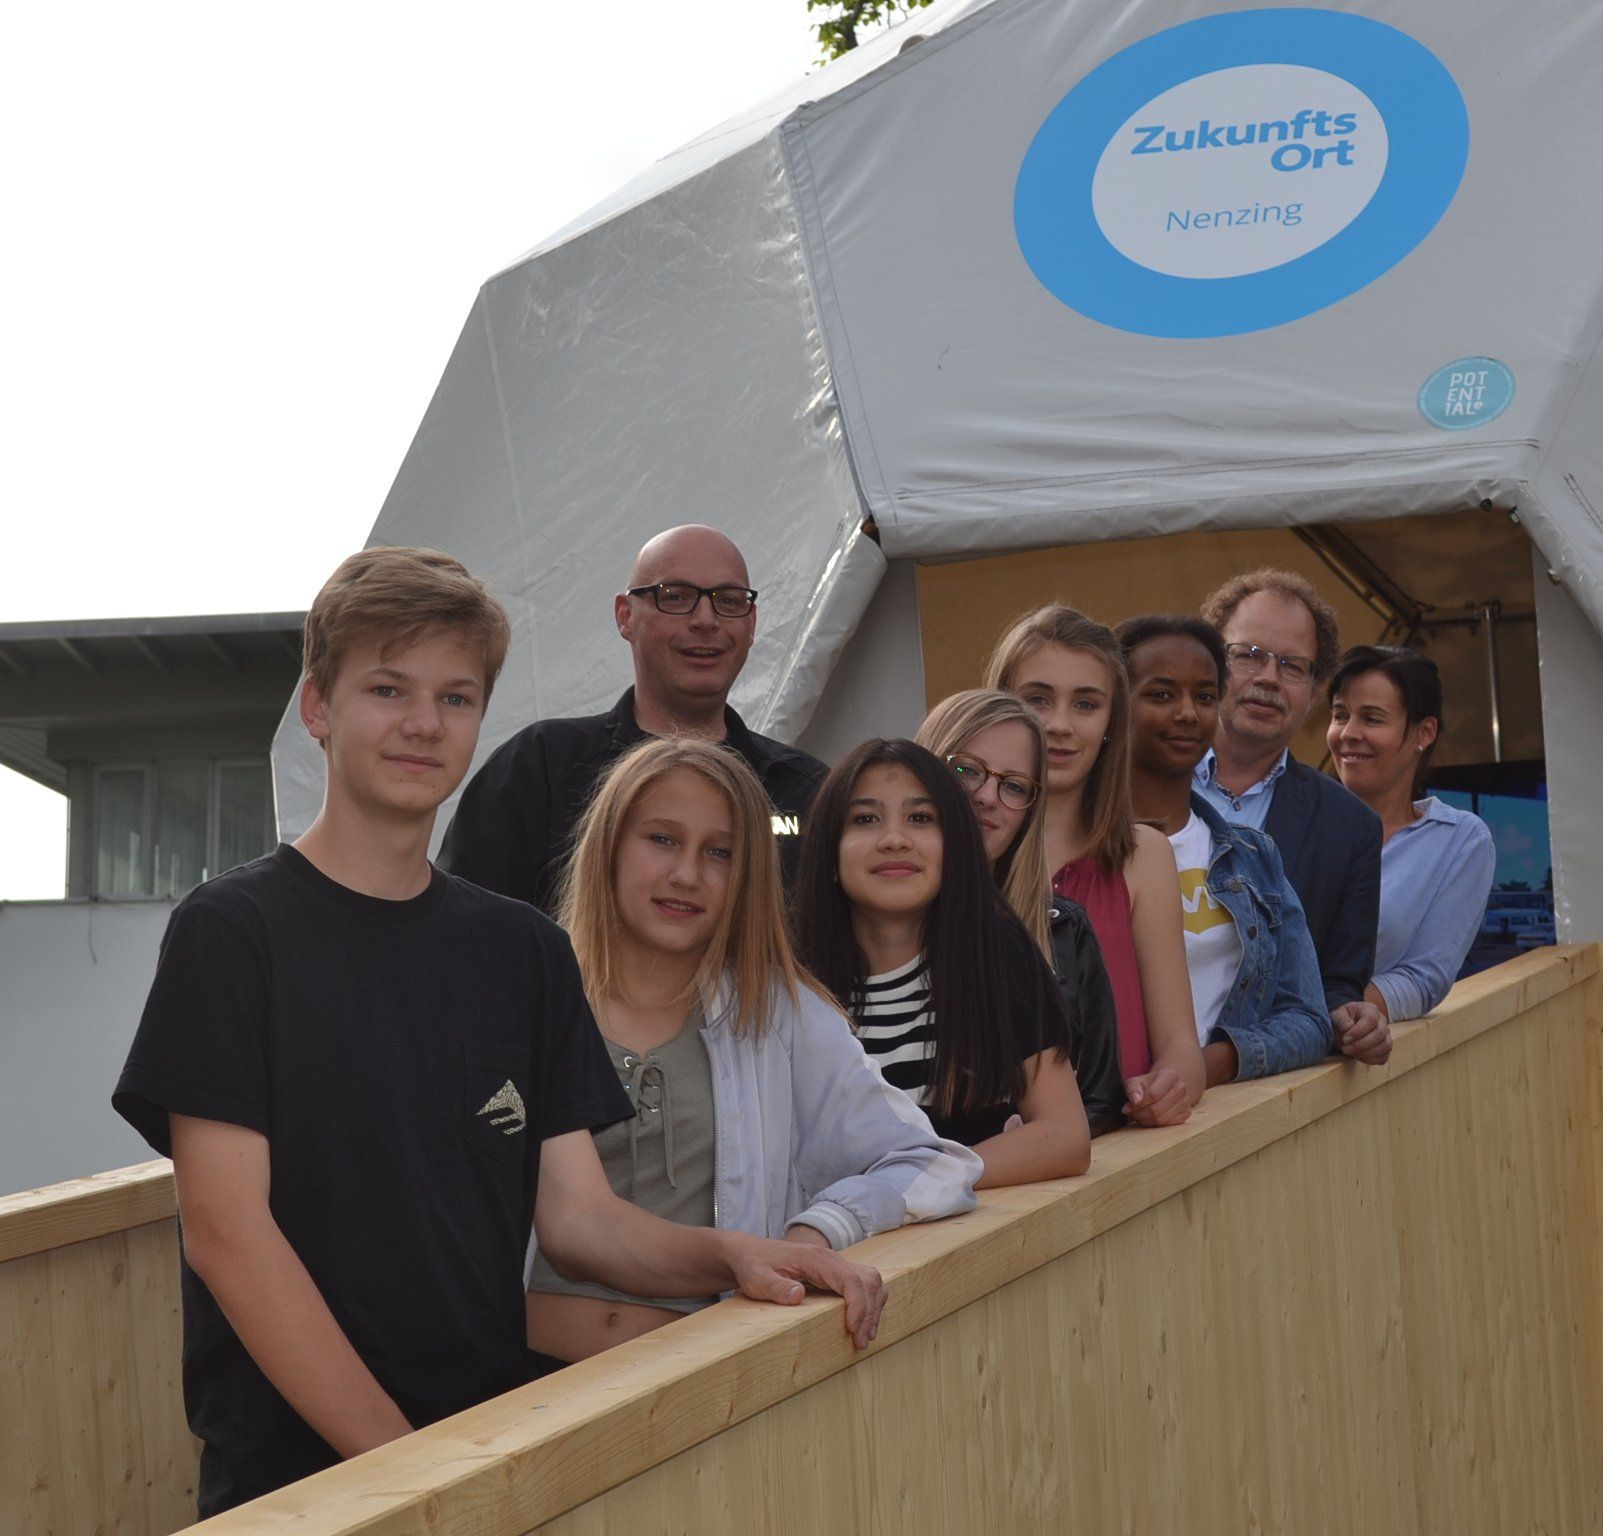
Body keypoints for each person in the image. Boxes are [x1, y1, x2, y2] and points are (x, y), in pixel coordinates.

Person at [110, 548, 882, 1518]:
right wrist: (409, 1472)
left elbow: (581, 1220)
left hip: (493, 1452)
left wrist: (729, 1255)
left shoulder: (522, 950)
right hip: (305, 1489)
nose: (423, 725)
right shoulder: (232, 933)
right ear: (319, 708)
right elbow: (228, 1234)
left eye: (456, 697)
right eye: (388, 689)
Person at [526, 736, 980, 1362]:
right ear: (608, 846)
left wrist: (813, 1232)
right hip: (523, 1391)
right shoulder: (526, 997)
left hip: (707, 1383)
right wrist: (743, 1253)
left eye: (720, 853)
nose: (687, 874)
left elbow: (932, 1162)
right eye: (661, 839)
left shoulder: (779, 1013)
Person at [439, 523, 825, 908]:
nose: (706, 619)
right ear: (625, 616)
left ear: (752, 622)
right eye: (674, 597)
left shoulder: (806, 792)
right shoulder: (541, 767)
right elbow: (462, 927)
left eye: (729, 600)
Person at [795, 739, 1092, 1187]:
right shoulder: (790, 974)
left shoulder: (997, 951)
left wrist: (919, 1182)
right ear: (829, 852)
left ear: (954, 845)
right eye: (865, 819)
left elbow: (1064, 1136)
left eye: (920, 818)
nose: (894, 839)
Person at [986, 606, 1206, 1126]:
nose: (1059, 725)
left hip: (1121, 1155)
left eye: (1086, 704)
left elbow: (1180, 1046)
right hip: (992, 1163)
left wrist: (1171, 1086)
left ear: (1113, 723)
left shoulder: (1144, 855)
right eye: (1037, 699)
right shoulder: (957, 853)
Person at [1116, 615, 1334, 1084]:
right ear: (1115, 706)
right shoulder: (1069, 857)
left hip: (1216, 1121)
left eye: (1205, 696)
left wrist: (1209, 1065)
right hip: (1106, 1128)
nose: (1188, 713)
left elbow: (1308, 1019)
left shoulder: (1252, 856)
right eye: (1161, 694)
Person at [1197, 570, 1393, 1067]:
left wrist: (1354, 1019)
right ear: (1209, 666)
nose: (1267, 678)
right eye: (1248, 656)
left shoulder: (1350, 829)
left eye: (1291, 666)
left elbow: (1335, 985)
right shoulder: (1131, 789)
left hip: (1253, 1088)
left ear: (1312, 694)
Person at [915, 688, 1126, 1133]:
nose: (987, 796)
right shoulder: (866, 921)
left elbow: (1099, 1102)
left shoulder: (1063, 930)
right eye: (966, 770)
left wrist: (1026, 1144)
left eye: (1013, 785)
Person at [1327, 645, 1497, 1023]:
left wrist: (1334, 1017)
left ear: (1424, 732)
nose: (1349, 734)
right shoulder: (1294, 816)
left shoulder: (1459, 840)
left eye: (1372, 718)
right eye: (1340, 715)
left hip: (1352, 1060)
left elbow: (1424, 977)